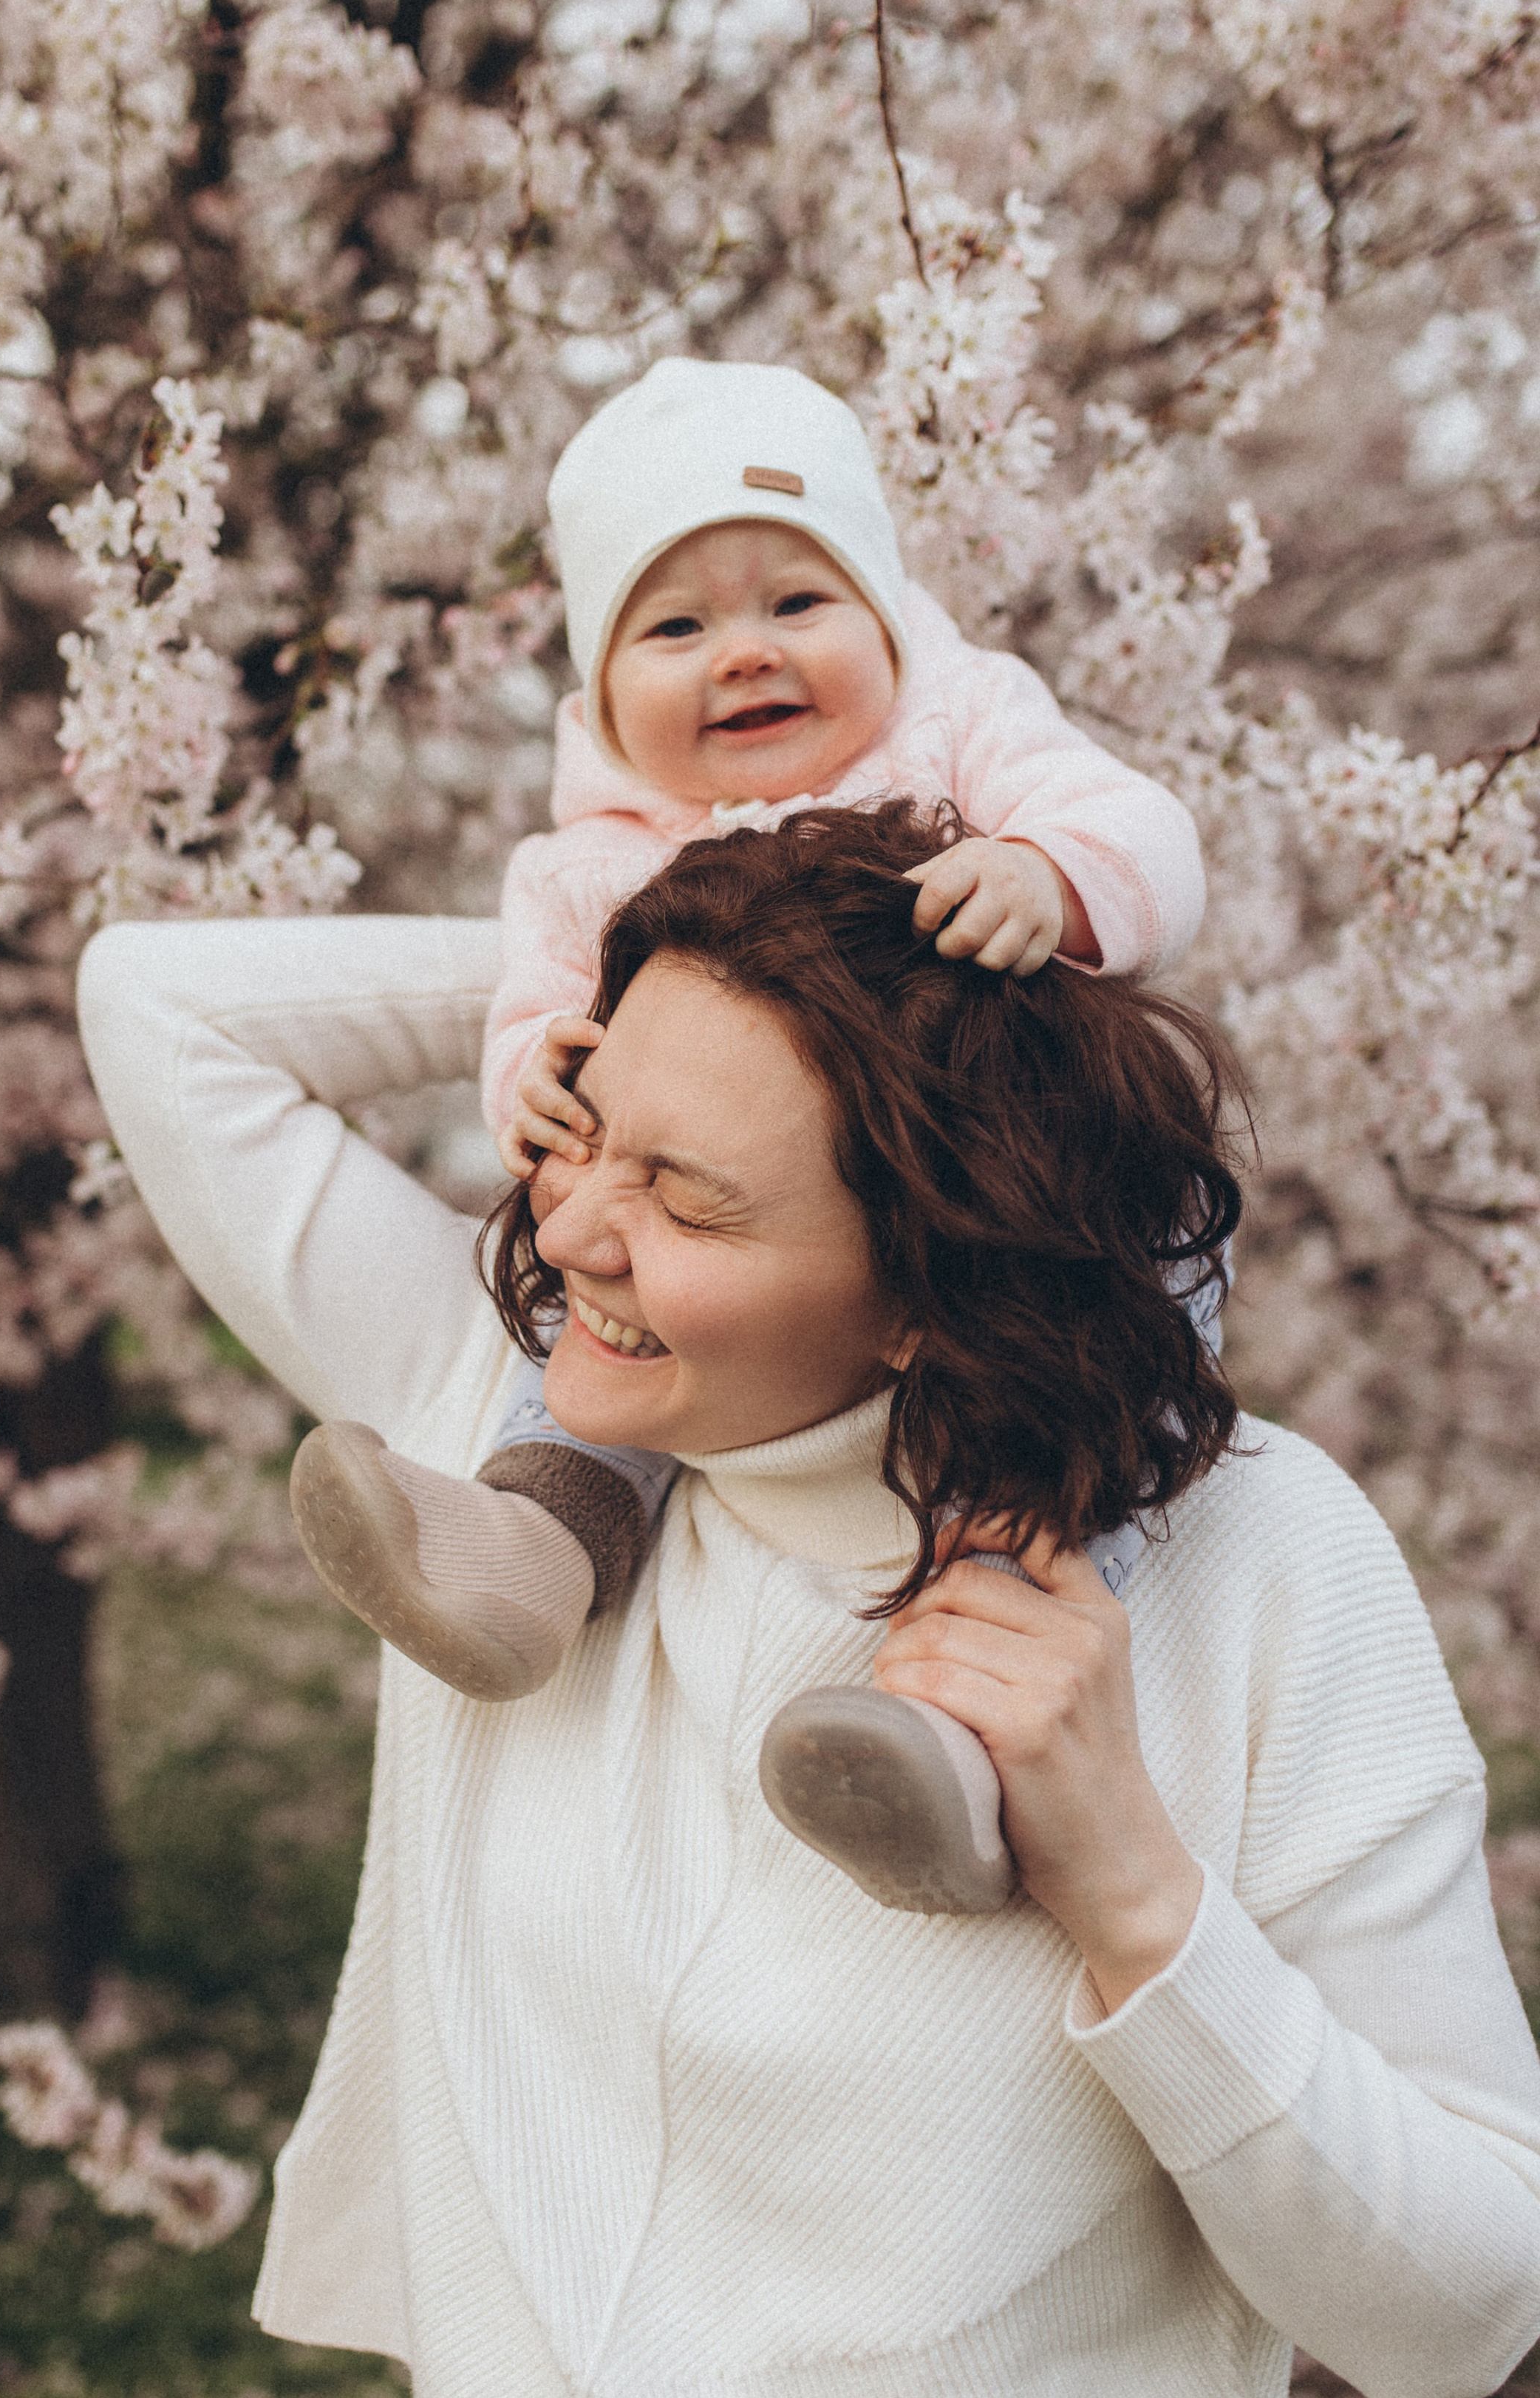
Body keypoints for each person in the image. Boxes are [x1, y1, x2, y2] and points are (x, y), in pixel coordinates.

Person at [78, 808, 1540, 2398]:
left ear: (932, 1280)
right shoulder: (511, 1463)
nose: (574, 1226)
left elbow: (1458, 2313)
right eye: (583, 1128)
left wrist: (1135, 1899)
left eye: (689, 1198)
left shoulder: (1249, 1566)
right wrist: (608, 938)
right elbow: (155, 1004)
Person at [282, 361, 1211, 1873]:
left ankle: (970, 1731)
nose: (742, 655)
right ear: (596, 694)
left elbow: (1146, 835)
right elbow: (537, 1016)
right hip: (739, 1260)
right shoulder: (588, 864)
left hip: (1020, 1202)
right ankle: (530, 1558)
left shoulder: (958, 724)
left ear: (886, 619)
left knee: (1072, 1385)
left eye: (796, 602)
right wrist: (537, 1075)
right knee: (591, 1303)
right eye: (675, 626)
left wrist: (1050, 875)